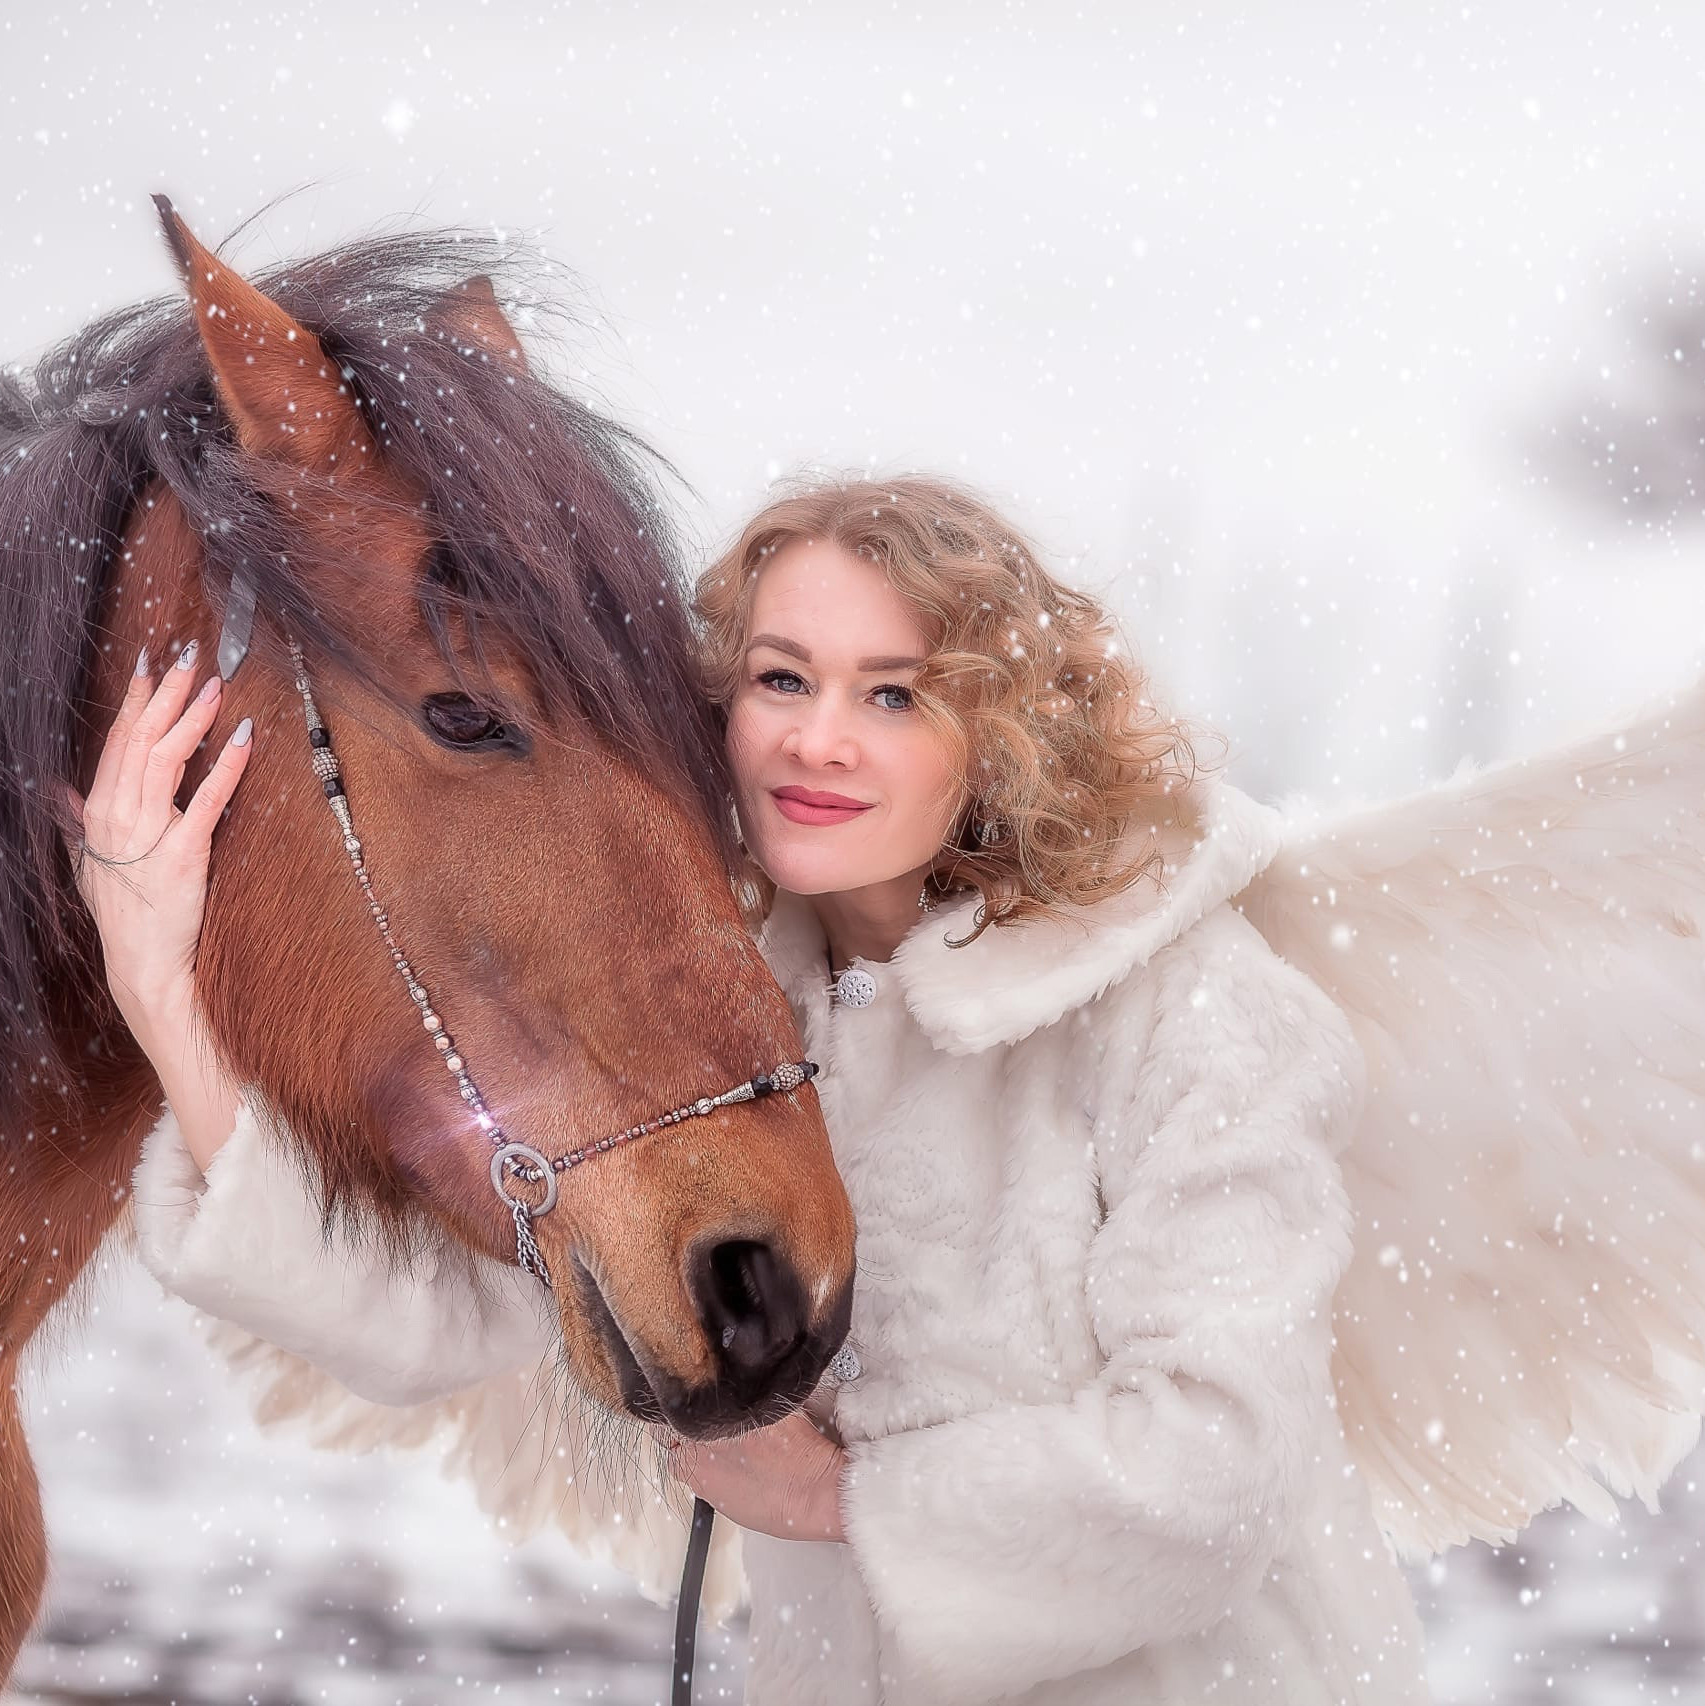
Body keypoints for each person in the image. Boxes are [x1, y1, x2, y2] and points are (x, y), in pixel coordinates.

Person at [77, 473, 1438, 1702]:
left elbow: (1214, 1473)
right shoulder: (724, 1027)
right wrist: (160, 986)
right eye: (782, 680)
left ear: (1000, 731)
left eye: (891, 693)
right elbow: (439, 1327)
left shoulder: (1184, 1007)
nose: (817, 740)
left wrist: (845, 1497)